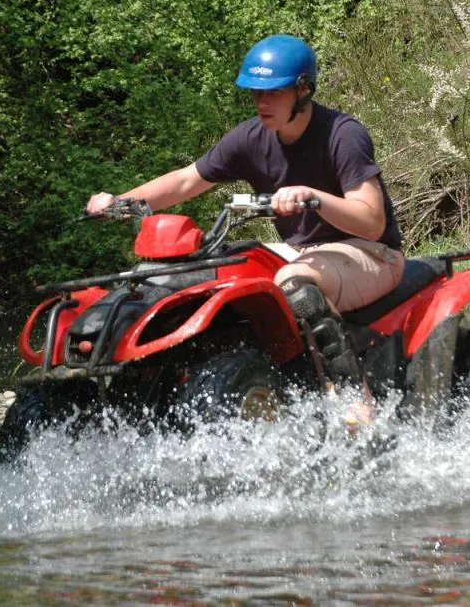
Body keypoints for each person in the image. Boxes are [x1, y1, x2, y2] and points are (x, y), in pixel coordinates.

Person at [87, 34, 405, 427]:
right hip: (305, 252)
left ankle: (358, 402)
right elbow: (188, 180)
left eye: (272, 92)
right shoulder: (251, 137)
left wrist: (314, 197)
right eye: (255, 93)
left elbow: (372, 221)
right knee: (214, 272)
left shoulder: (343, 134)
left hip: (371, 253)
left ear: (303, 89)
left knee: (295, 282)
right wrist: (122, 201)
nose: (261, 102)